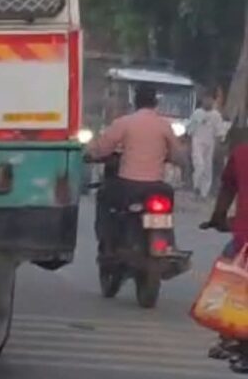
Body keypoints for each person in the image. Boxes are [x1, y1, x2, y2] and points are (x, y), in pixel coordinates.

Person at [87, 82, 187, 246]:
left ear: (135, 102)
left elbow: (102, 149)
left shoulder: (124, 123)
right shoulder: (164, 125)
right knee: (165, 206)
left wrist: (90, 155)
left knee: (104, 194)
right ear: (155, 103)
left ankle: (106, 241)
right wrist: (170, 158)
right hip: (156, 186)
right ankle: (166, 243)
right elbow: (179, 155)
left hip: (127, 185)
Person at [200, 131, 248, 372]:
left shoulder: (242, 154)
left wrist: (218, 218)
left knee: (229, 267)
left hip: (245, 242)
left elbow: (228, 188)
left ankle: (229, 337)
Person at [188, 93, 228, 199]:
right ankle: (196, 187)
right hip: (197, 143)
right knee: (199, 165)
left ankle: (203, 193)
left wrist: (217, 147)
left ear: (213, 101)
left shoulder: (216, 115)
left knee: (207, 169)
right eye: (206, 99)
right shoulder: (197, 113)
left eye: (210, 99)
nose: (208, 102)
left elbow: (219, 133)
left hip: (210, 145)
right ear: (203, 100)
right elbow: (190, 130)